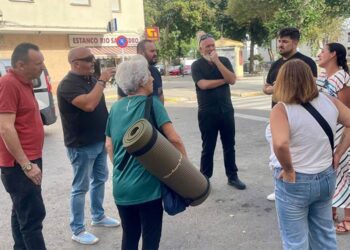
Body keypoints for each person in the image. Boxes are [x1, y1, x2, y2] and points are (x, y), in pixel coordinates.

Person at [105, 55, 187, 250]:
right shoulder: (152, 104)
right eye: (149, 75)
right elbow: (174, 139)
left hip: (121, 188)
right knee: (150, 239)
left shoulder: (115, 108)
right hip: (147, 189)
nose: (152, 79)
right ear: (141, 81)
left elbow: (109, 145)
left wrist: (123, 170)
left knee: (130, 237)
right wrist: (185, 168)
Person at [270, 58, 350, 249]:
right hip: (326, 175)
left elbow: (280, 144)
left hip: (296, 180)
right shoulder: (329, 101)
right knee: (324, 234)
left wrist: (288, 169)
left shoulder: (281, 109)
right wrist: (338, 153)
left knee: (295, 241)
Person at [57, 47, 120, 245]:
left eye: (93, 58)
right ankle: (77, 229)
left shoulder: (90, 79)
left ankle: (98, 216)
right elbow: (89, 104)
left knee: (100, 179)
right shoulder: (67, 84)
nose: (93, 62)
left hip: (99, 140)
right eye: (88, 59)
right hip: (81, 145)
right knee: (80, 187)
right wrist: (102, 80)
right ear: (75, 63)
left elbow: (100, 109)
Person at [0, 43, 47, 249]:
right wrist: (27, 165)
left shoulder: (25, 82)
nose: (43, 67)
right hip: (19, 164)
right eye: (38, 63)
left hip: (28, 159)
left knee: (21, 211)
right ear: (20, 65)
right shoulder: (8, 84)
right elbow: (6, 129)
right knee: (33, 218)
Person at [263, 27, 317, 201]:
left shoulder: (306, 62)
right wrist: (277, 87)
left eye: (285, 41)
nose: (280, 44)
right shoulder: (276, 64)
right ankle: (279, 187)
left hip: (299, 116)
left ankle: (301, 187)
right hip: (277, 115)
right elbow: (266, 88)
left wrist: (278, 87)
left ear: (295, 43)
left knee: (297, 153)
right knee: (276, 154)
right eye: (279, 41)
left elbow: (311, 88)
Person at [191, 33, 246, 190]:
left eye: (212, 45)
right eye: (207, 46)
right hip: (207, 113)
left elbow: (233, 80)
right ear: (200, 48)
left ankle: (232, 176)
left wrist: (217, 62)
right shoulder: (197, 65)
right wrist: (224, 80)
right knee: (208, 147)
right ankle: (204, 179)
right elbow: (203, 85)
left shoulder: (224, 61)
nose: (211, 48)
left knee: (230, 145)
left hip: (226, 111)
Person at [316, 42, 350, 233]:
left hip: (342, 133)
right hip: (326, 133)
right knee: (332, 172)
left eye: (323, 51)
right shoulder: (322, 76)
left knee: (346, 172)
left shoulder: (342, 78)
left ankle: (349, 217)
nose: (319, 54)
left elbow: (345, 112)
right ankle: (331, 211)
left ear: (333, 55)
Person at [117, 39, 164, 104]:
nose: (155, 54)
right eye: (152, 51)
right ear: (141, 53)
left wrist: (160, 111)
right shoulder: (127, 72)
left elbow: (160, 95)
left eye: (156, 51)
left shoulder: (155, 71)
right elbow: (121, 100)